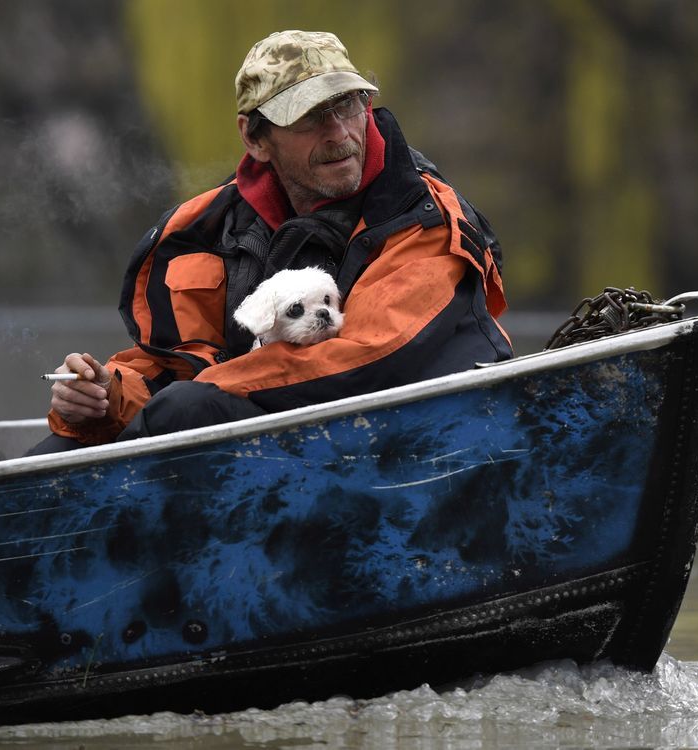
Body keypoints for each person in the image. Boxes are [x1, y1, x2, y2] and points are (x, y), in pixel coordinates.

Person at [29, 29, 512, 454]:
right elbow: (173, 365)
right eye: (310, 116)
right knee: (68, 443)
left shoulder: (424, 216)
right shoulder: (207, 230)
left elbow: (367, 359)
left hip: (419, 452)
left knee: (186, 411)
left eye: (348, 105)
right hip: (277, 455)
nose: (339, 133)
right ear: (255, 138)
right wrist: (105, 396)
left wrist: (195, 396)